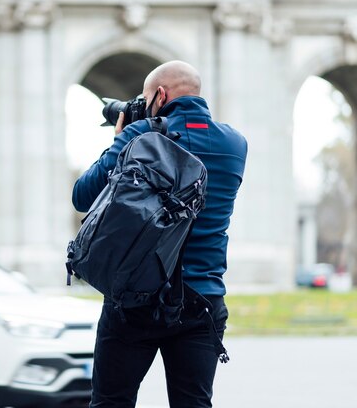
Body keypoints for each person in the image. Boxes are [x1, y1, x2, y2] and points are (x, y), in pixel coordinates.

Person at [72, 60, 248, 408]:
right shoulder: (235, 145)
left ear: (160, 95)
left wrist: (120, 138)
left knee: (111, 401)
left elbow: (82, 195)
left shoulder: (139, 137)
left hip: (135, 301)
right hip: (202, 300)